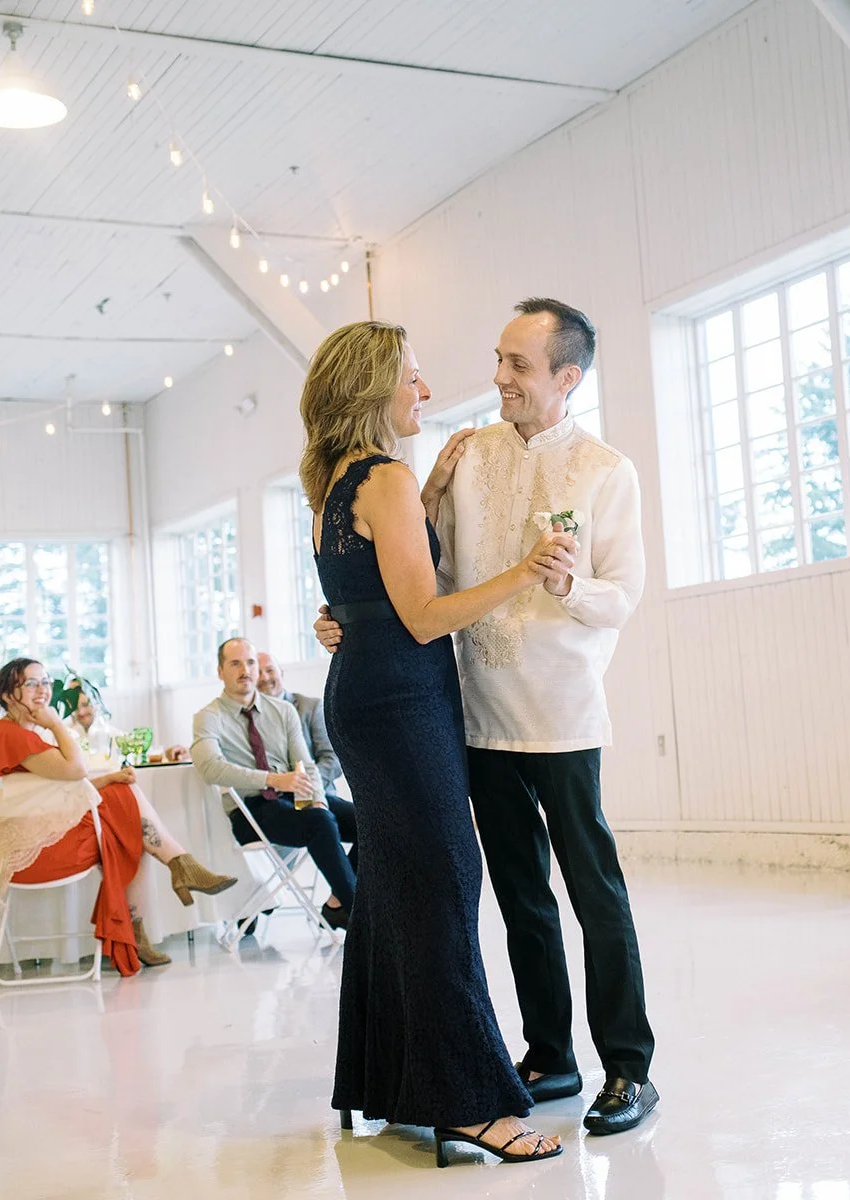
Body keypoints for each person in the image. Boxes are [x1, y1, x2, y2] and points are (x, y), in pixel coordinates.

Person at [316, 299, 658, 1135]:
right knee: (519, 897)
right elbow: (407, 567)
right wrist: (344, 620)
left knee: (595, 894)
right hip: (475, 718)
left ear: (565, 378)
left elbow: (624, 597)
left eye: (518, 365)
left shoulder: (608, 472)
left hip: (564, 717)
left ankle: (628, 1067)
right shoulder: (462, 459)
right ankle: (550, 1056)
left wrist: (565, 581)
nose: (498, 377)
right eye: (498, 359)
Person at [302, 320, 573, 1165]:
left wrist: (428, 495)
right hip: (401, 702)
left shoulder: (336, 479)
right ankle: (467, 1106)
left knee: (392, 893)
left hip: (367, 699)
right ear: (375, 389)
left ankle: (387, 1083)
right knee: (445, 889)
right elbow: (423, 614)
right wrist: (527, 569)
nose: (424, 392)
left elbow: (374, 582)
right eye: (413, 379)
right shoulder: (382, 476)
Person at [0, 657, 237, 975]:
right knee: (126, 818)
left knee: (124, 812)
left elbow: (53, 789)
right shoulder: (17, 736)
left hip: (34, 841)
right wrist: (55, 723)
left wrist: (106, 780)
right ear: (6, 694)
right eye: (30, 683)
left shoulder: (16, 733)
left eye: (45, 682)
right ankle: (178, 868)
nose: (42, 690)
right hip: (32, 855)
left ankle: (167, 887)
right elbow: (76, 770)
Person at [190, 639, 356, 930]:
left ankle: (340, 906)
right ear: (220, 672)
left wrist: (317, 797)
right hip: (252, 809)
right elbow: (210, 768)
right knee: (320, 821)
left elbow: (306, 765)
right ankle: (361, 918)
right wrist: (271, 780)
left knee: (370, 821)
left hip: (297, 800)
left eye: (251, 662)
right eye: (235, 663)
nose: (246, 670)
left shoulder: (283, 711)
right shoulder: (208, 717)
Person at [255, 650, 350, 813]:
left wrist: (302, 784)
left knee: (363, 825)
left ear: (281, 673)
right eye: (257, 673)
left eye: (270, 670)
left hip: (318, 797)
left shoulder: (311, 707)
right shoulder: (249, 719)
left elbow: (333, 759)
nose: (264, 677)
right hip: (275, 803)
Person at [61, 688, 124, 759]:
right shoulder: (67, 736)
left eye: (85, 705)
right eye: (75, 708)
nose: (81, 712)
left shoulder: (116, 736)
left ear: (96, 704)